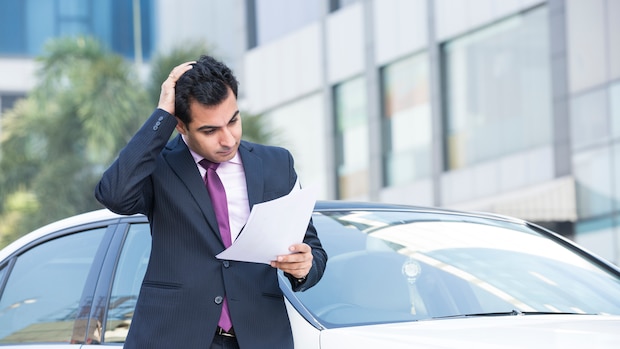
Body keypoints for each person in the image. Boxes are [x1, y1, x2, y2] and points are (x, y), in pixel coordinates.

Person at [95, 55, 327, 349]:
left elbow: (313, 250)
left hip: (258, 337)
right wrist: (162, 115)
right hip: (172, 338)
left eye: (233, 121)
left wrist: (304, 265)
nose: (228, 139)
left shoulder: (276, 164)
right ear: (181, 126)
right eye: (210, 130)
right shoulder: (158, 166)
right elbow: (114, 194)